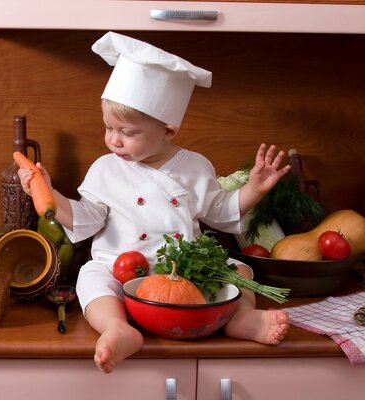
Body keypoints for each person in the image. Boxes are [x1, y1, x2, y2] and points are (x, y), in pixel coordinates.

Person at [17, 31, 290, 374]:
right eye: (108, 128)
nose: (114, 140)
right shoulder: (105, 169)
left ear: (168, 130)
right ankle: (117, 328)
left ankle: (243, 319)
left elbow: (222, 213)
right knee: (90, 276)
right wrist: (49, 192)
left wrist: (255, 189)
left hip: (180, 272)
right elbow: (85, 218)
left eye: (128, 132)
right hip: (120, 268)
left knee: (239, 270)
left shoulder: (194, 167)